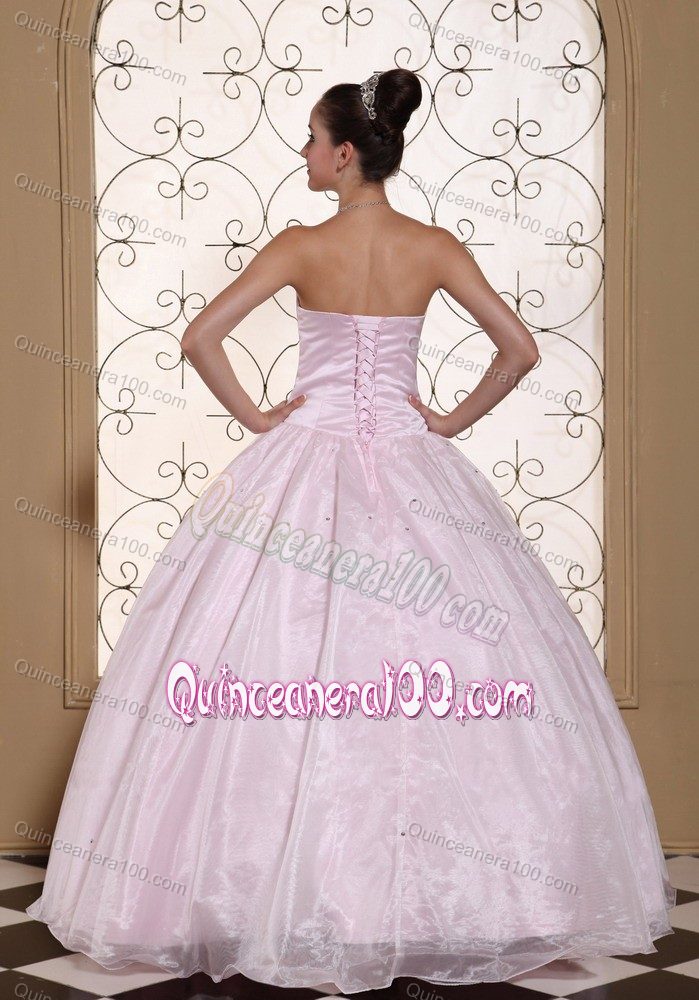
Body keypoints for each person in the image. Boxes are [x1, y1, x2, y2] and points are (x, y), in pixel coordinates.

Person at [27, 68, 675, 996]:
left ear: (341, 155)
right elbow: (521, 350)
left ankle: (267, 896)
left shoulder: (302, 246)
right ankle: (450, 901)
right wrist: (446, 422)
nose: (301, 152)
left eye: (309, 138)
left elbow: (200, 337)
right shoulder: (432, 246)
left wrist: (259, 418)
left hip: (302, 463)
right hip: (414, 466)